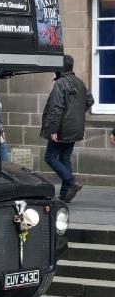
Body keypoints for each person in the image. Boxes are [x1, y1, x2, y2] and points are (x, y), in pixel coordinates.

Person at [40, 54, 94, 202]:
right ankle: (65, 194)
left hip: (62, 128)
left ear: (60, 67)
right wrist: (75, 114)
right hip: (75, 128)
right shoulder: (80, 82)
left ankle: (71, 182)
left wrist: (53, 130)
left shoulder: (61, 83)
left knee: (50, 157)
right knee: (64, 158)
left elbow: (57, 108)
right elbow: (90, 100)